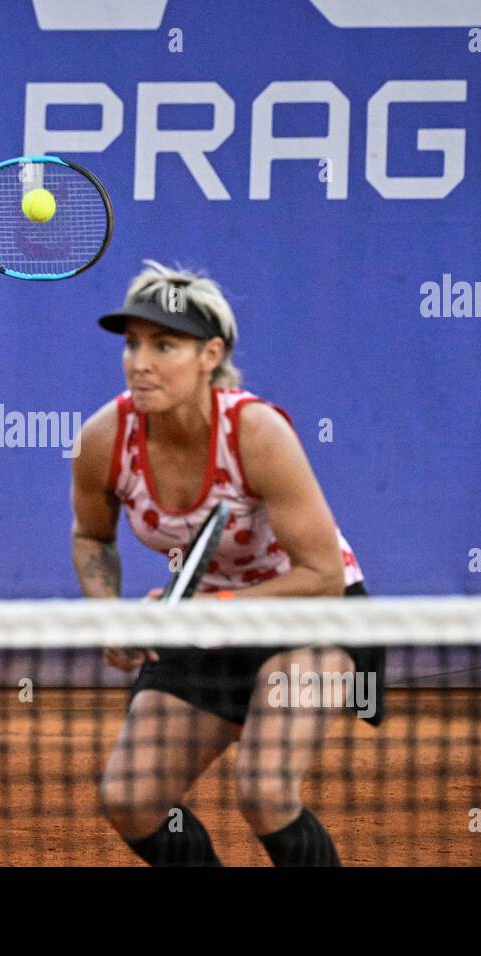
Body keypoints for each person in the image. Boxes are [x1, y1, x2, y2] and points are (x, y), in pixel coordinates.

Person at [70, 261, 383, 866]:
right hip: (205, 620)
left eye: (165, 345)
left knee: (264, 791)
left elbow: (322, 576)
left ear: (210, 355)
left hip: (310, 618)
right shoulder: (103, 439)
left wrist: (207, 609)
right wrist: (109, 616)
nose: (140, 362)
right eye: (132, 344)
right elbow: (91, 536)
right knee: (130, 800)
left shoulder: (257, 433)